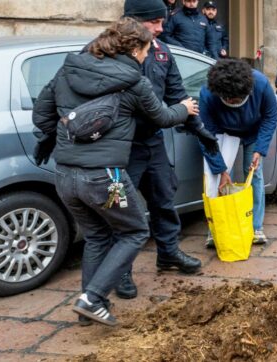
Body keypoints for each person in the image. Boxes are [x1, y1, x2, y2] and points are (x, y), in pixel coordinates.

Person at [33, 18, 199, 326]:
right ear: (134, 48)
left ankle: (88, 313)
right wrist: (185, 109)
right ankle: (92, 298)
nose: (148, 56)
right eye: (146, 51)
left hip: (66, 175)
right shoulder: (134, 81)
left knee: (97, 236)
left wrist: (72, 141)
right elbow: (162, 117)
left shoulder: (68, 70)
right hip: (104, 177)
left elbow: (42, 115)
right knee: (134, 231)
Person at [115, 0, 220, 300]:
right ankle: (120, 270)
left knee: (164, 197)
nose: (162, 29)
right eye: (155, 23)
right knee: (121, 210)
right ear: (134, 21)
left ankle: (168, 252)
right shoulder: (110, 51)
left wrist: (199, 129)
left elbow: (177, 94)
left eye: (163, 22)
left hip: (153, 142)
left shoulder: (162, 51)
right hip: (122, 146)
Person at [199, 59, 277, 247]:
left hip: (253, 132)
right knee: (217, 178)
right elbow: (206, 135)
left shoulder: (259, 84)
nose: (232, 103)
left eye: (236, 100)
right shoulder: (208, 94)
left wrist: (260, 149)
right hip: (221, 132)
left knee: (253, 174)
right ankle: (217, 227)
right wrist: (221, 170)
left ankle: (255, 226)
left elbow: (270, 117)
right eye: (228, 101)